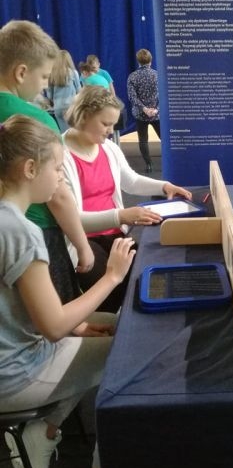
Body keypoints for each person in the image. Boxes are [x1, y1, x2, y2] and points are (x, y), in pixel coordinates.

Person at [0, 115, 137, 468]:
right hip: (14, 373)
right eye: (58, 169)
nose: (61, 179)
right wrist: (112, 277)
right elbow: (54, 326)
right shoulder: (20, 231)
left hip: (17, 348)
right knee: (127, 355)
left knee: (110, 324)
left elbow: (34, 312)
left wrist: (77, 328)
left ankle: (44, 429)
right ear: (30, 169)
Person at [62, 85, 192, 313]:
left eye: (113, 124)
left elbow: (130, 180)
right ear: (84, 116)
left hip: (114, 231)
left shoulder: (108, 148)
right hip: (81, 241)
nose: (111, 131)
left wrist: (164, 186)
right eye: (105, 124)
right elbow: (72, 220)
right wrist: (122, 216)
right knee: (112, 289)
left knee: (146, 269)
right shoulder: (60, 155)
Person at [0, 19, 94, 303]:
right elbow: (58, 195)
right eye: (43, 77)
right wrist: (82, 245)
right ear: (21, 72)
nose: (44, 86)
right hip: (39, 233)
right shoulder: (37, 119)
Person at [127, 48, 160, 173]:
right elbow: (164, 94)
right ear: (151, 60)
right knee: (165, 138)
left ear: (138, 61)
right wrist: (156, 110)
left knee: (143, 140)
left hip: (140, 114)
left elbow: (132, 97)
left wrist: (144, 109)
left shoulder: (132, 76)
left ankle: (149, 165)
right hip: (156, 114)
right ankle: (169, 161)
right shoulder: (157, 75)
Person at [45, 48, 81, 131]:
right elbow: (79, 91)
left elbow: (49, 95)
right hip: (71, 107)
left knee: (64, 133)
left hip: (57, 108)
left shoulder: (52, 74)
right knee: (74, 132)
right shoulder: (73, 72)